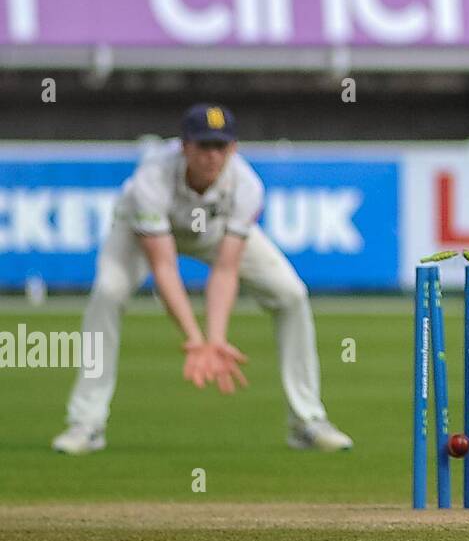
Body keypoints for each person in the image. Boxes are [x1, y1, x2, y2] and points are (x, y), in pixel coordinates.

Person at [51, 104, 353, 455]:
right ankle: (86, 423)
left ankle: (307, 421)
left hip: (213, 231)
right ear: (185, 146)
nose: (212, 156)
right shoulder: (150, 180)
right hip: (138, 233)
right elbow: (164, 268)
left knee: (291, 294)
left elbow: (225, 270)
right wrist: (194, 340)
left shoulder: (247, 187)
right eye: (203, 146)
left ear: (233, 149)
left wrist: (216, 339)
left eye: (220, 147)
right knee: (108, 292)